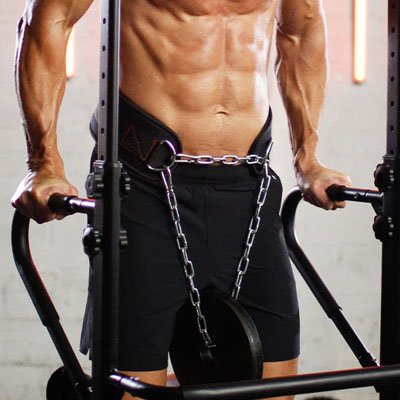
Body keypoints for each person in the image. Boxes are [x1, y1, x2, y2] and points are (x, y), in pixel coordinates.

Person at [11, 1, 350, 399]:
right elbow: (47, 19)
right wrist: (43, 163)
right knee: (135, 387)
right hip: (143, 184)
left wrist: (308, 160)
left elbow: (300, 31)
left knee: (274, 383)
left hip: (250, 188)